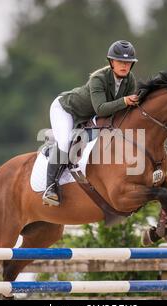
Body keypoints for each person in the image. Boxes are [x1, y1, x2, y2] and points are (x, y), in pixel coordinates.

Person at [42, 40, 139, 206]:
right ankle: (49, 187)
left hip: (88, 115)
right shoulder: (98, 79)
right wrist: (124, 101)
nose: (124, 66)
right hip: (66, 110)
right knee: (64, 143)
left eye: (128, 63)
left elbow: (125, 112)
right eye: (120, 62)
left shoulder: (130, 80)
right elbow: (101, 109)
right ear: (111, 62)